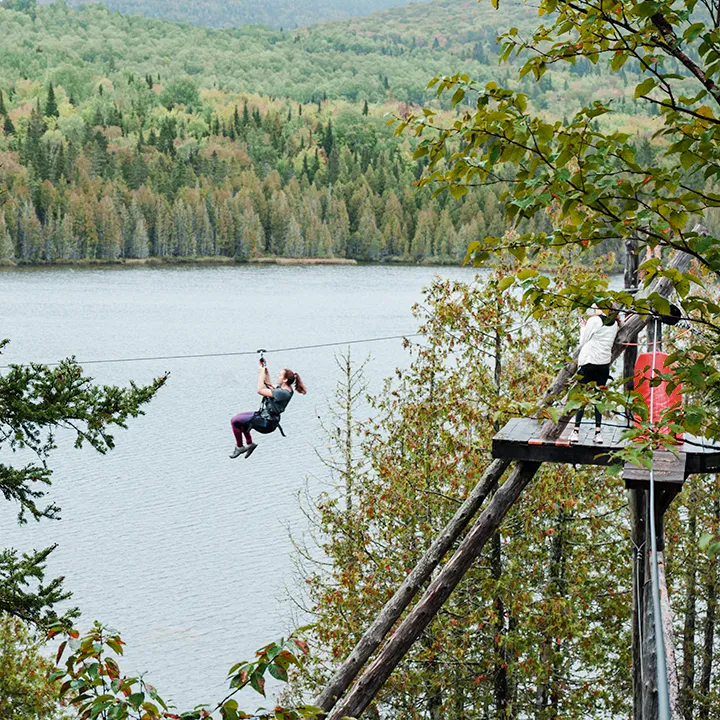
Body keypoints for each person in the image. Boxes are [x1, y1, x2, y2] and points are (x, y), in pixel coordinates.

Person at [230, 361, 306, 459]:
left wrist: (261, 374)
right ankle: (249, 444)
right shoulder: (285, 388)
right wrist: (266, 371)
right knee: (242, 421)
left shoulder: (282, 393)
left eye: (280, 375)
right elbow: (269, 385)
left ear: (285, 379)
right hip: (265, 417)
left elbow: (260, 390)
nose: (278, 376)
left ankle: (240, 447)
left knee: (235, 421)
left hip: (267, 422)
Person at [570, 304, 620, 444]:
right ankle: (598, 433)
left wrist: (582, 328)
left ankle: (576, 430)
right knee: (598, 398)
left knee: (582, 397)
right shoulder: (615, 323)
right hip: (603, 365)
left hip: (589, 362)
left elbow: (583, 341)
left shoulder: (594, 321)